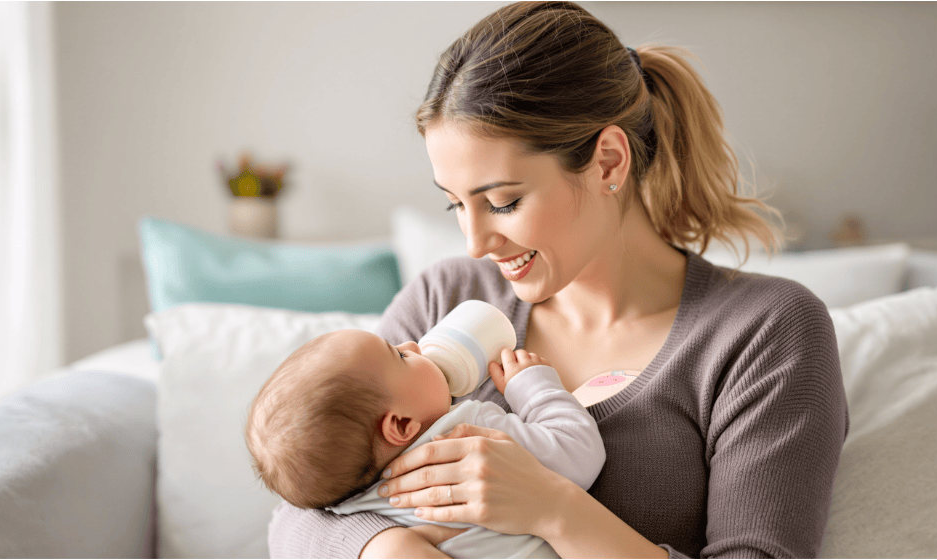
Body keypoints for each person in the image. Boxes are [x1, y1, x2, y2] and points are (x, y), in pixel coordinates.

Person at [268, 2, 849, 558]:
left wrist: (553, 508)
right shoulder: (449, 296)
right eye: (455, 206)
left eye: (502, 201)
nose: (475, 244)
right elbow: (305, 506)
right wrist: (385, 547)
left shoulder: (765, 331)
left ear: (608, 163)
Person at [246, 328, 604, 558]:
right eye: (400, 356)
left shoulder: (347, 500)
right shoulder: (470, 434)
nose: (412, 343)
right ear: (401, 425)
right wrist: (533, 385)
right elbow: (580, 454)